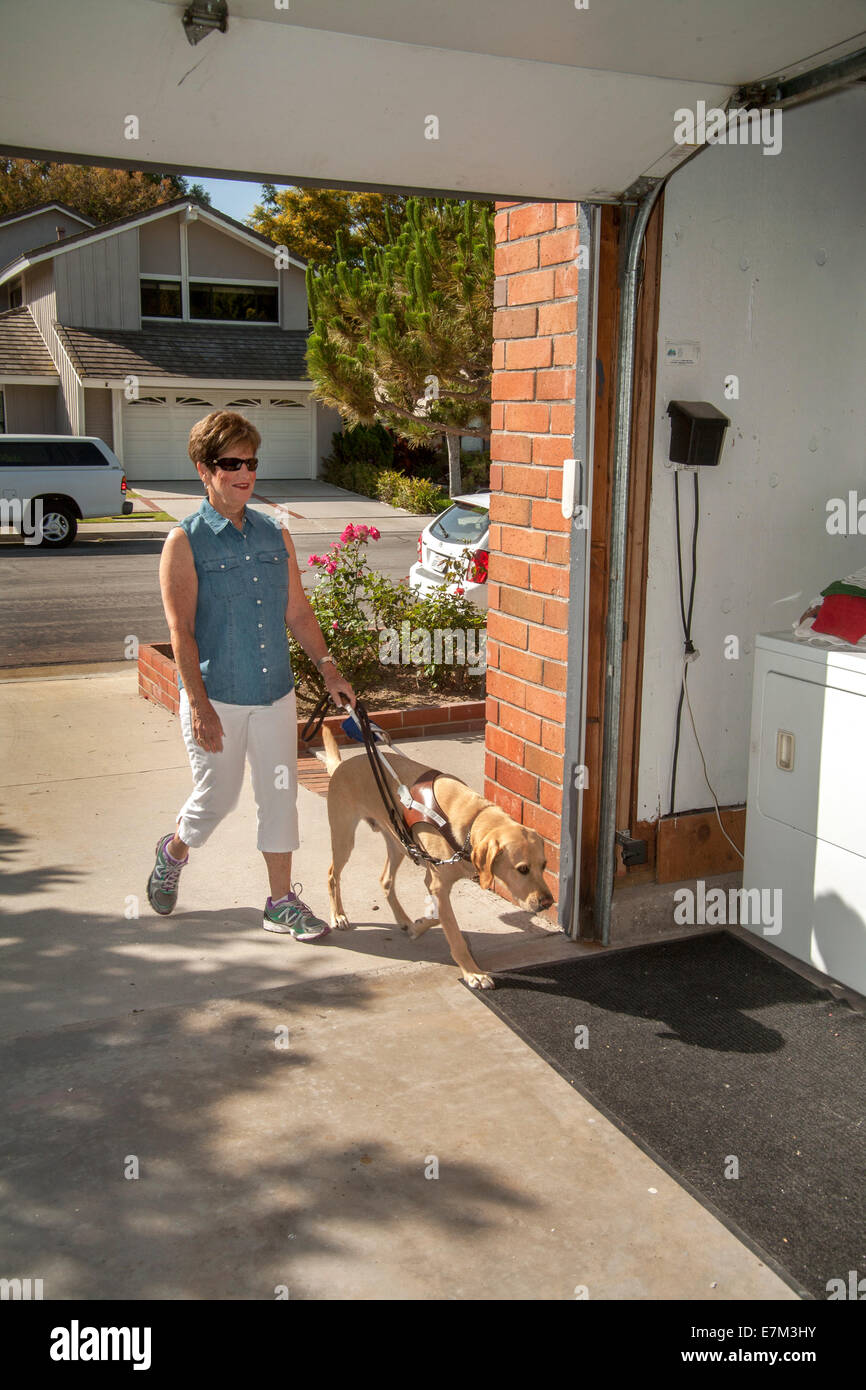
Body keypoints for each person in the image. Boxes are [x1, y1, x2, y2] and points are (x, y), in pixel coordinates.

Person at [146, 410, 355, 939]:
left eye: (251, 462)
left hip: (273, 693)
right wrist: (199, 704)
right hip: (217, 695)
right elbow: (182, 633)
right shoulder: (185, 541)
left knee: (280, 795)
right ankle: (173, 850)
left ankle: (280, 902)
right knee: (218, 797)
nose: (244, 473)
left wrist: (328, 669)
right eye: (230, 463)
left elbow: (298, 613)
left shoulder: (273, 533)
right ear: (204, 469)